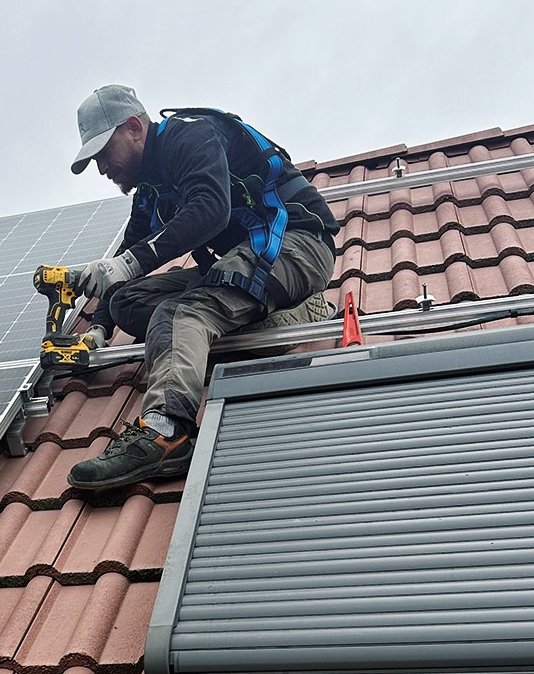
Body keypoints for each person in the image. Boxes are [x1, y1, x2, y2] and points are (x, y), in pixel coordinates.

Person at [66, 85, 339, 490]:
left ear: (134, 127)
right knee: (127, 302)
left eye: (104, 152)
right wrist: (98, 329)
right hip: (245, 262)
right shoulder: (150, 191)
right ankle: (248, 320)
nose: (102, 167)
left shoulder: (190, 137)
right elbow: (128, 257)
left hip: (296, 245)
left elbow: (211, 208)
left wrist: (127, 263)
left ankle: (166, 431)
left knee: (178, 315)